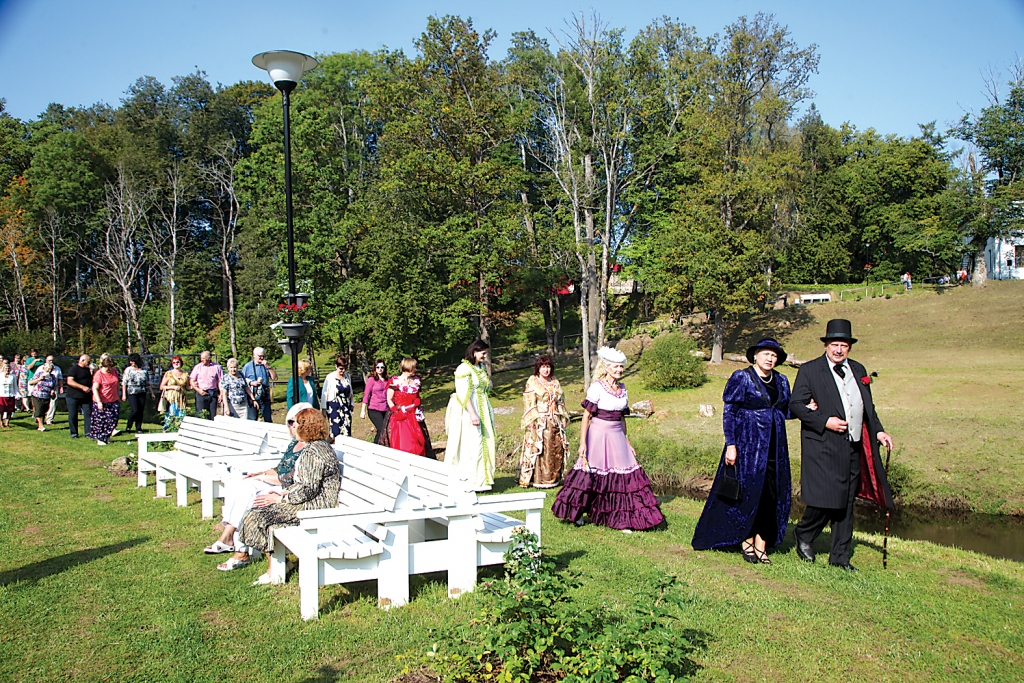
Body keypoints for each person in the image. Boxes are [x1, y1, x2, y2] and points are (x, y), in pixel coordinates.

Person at [790, 319, 895, 571]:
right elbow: (796, 405)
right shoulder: (810, 370)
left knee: (847, 502)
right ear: (826, 345)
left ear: (849, 347)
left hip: (853, 446)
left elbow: (867, 408)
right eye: (834, 344)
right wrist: (825, 421)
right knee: (827, 499)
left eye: (843, 345)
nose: (838, 350)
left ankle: (840, 557)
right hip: (823, 445)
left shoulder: (858, 369)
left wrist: (879, 431)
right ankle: (805, 532)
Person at [691, 339, 803, 564]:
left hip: (775, 447)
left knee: (771, 495)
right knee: (748, 493)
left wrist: (805, 409)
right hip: (747, 445)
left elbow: (784, 411)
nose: (770, 358)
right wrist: (731, 445)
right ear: (755, 356)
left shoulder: (781, 380)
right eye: (766, 354)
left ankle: (762, 543)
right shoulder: (742, 377)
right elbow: (729, 412)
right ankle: (746, 539)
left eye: (774, 355)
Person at [552, 346, 664, 532]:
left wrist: (627, 441)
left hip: (617, 435)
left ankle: (621, 519)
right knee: (591, 474)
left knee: (623, 474)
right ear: (606, 367)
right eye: (615, 367)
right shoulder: (597, 387)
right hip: (598, 435)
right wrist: (583, 443)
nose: (619, 370)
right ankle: (577, 513)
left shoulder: (623, 389)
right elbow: (586, 416)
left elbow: (622, 418)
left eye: (621, 367)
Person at [237, 408, 342, 584]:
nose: (293, 427)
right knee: (261, 513)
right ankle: (278, 565)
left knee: (256, 516)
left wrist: (281, 499)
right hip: (310, 500)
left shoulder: (314, 452)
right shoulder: (315, 447)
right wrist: (284, 492)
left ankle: (277, 567)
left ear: (306, 427)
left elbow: (308, 490)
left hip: (316, 507)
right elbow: (305, 484)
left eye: (297, 424)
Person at [208, 402, 313, 568]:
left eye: (294, 422)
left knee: (251, 495)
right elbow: (279, 469)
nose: (291, 426)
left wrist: (263, 477)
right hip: (280, 483)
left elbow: (290, 479)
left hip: (288, 490)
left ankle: (236, 546)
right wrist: (260, 473)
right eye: (289, 422)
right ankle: (235, 543)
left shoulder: (309, 449)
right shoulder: (294, 444)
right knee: (242, 484)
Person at [445, 340, 496, 491]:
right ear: (474, 352)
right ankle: (469, 480)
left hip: (482, 407)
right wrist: (473, 414)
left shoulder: (480, 367)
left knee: (484, 442)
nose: (485, 356)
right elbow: (463, 393)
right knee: (472, 443)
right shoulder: (464, 369)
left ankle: (482, 481)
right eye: (483, 353)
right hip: (468, 410)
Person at [518, 355, 569, 488]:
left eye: (548, 367)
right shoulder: (533, 381)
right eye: (543, 367)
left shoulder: (555, 381)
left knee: (556, 447)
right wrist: (533, 420)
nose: (546, 370)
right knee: (541, 447)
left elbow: (561, 401)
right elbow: (529, 402)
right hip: (540, 420)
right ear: (538, 368)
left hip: (555, 418)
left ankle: (554, 478)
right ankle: (539, 479)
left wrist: (563, 417)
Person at [383, 358, 427, 457]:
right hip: (400, 417)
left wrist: (417, 401)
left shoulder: (415, 381)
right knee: (405, 444)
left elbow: (417, 396)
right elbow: (389, 399)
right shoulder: (395, 382)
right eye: (414, 367)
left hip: (413, 416)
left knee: (417, 443)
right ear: (409, 367)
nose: (415, 369)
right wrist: (395, 410)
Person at [89, 355, 121, 446]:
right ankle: (100, 438)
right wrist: (99, 402)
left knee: (113, 419)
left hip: (113, 399)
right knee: (101, 420)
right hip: (102, 400)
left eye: (111, 367)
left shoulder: (114, 371)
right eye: (107, 367)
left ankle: (107, 436)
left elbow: (117, 383)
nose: (109, 369)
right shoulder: (99, 374)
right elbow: (95, 388)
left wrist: (118, 396)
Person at [321, 356, 354, 438]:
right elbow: (324, 393)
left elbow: (350, 391)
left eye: (344, 368)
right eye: (341, 369)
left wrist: (352, 403)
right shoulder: (330, 377)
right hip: (334, 406)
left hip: (346, 406)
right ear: (336, 366)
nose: (343, 371)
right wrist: (324, 408)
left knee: (346, 429)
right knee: (335, 430)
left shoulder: (347, 376)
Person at [242, 347, 277, 422]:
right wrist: (251, 383)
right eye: (260, 356)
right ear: (254, 355)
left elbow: (275, 378)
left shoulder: (266, 366)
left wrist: (269, 367)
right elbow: (242, 380)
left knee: (267, 418)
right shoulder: (248, 366)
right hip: (253, 395)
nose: (262, 358)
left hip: (265, 394)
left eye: (263, 356)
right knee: (252, 418)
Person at [65, 354, 94, 439]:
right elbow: (70, 381)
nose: (89, 363)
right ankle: (74, 433)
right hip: (73, 396)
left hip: (86, 396)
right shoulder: (74, 369)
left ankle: (88, 432)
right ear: (82, 360)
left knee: (88, 414)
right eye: (88, 361)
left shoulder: (88, 370)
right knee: (73, 415)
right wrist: (82, 387)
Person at [121, 353, 151, 433]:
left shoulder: (144, 370)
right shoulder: (128, 370)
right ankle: (129, 425)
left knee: (141, 410)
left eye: (132, 361)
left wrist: (152, 393)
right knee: (135, 410)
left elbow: (148, 382)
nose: (131, 362)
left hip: (142, 391)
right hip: (132, 392)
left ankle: (138, 427)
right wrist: (124, 394)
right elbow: (124, 382)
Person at [360, 360, 389, 443]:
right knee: (381, 429)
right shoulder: (371, 380)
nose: (380, 369)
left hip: (385, 408)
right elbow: (366, 395)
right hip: (374, 409)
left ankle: (383, 446)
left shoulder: (387, 380)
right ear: (375, 368)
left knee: (386, 430)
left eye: (382, 367)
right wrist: (363, 410)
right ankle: (375, 447)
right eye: (378, 367)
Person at [159, 356, 190, 430]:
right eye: (174, 362)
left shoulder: (185, 374)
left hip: (182, 398)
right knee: (171, 415)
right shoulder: (169, 373)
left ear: (181, 362)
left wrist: (196, 386)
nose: (176, 364)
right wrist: (173, 387)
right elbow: (161, 387)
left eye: (177, 362)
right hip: (171, 398)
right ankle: (168, 430)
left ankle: (179, 430)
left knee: (181, 416)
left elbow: (188, 387)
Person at [190, 351, 222, 419]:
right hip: (201, 393)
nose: (202, 360)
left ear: (209, 358)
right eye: (201, 358)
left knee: (212, 415)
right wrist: (198, 390)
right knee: (200, 414)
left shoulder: (217, 367)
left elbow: (220, 381)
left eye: (204, 358)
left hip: (212, 394)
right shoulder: (198, 367)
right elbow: (192, 380)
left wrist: (221, 393)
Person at [27, 361, 56, 431]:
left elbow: (54, 385)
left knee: (44, 410)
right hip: (37, 395)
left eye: (51, 369)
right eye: (48, 369)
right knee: (39, 410)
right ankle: (41, 426)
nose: (49, 370)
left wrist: (53, 391)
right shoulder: (39, 374)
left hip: (47, 396)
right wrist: (39, 379)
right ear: (44, 368)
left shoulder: (52, 377)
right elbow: (30, 382)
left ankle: (39, 422)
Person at [43, 354, 63, 426]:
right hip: (43, 389)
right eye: (49, 360)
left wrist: (61, 387)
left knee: (53, 404)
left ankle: (49, 420)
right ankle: (39, 416)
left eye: (52, 360)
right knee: (43, 404)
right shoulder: (41, 368)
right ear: (46, 360)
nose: (51, 362)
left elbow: (60, 378)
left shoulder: (57, 369)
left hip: (54, 388)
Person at [0, 358, 16, 427]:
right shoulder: (0, 376)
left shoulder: (13, 376)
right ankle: (1, 422)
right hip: (1, 395)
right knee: (1, 410)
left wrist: (17, 394)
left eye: (8, 368)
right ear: (3, 369)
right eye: (6, 368)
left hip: (10, 395)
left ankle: (7, 423)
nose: (7, 369)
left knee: (10, 410)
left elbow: (15, 386)